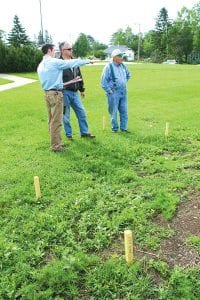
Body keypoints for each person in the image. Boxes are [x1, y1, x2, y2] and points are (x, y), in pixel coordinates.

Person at [37, 43, 93, 152]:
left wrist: (72, 81)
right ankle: (56, 146)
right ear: (49, 50)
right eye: (54, 50)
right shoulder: (53, 62)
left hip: (47, 94)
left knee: (52, 120)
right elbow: (72, 62)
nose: (55, 52)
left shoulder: (41, 65)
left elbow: (51, 82)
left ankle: (56, 143)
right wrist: (87, 61)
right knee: (57, 121)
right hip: (56, 95)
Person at [59, 42, 95, 140]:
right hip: (64, 93)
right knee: (66, 116)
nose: (72, 50)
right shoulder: (58, 63)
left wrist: (81, 89)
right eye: (69, 49)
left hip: (75, 93)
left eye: (71, 49)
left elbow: (79, 76)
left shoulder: (74, 62)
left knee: (81, 112)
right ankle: (69, 135)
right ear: (63, 51)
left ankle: (84, 132)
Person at [101, 49, 131, 133]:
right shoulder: (108, 67)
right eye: (119, 56)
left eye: (122, 56)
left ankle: (124, 128)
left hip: (123, 91)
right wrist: (110, 91)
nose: (122, 58)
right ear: (114, 57)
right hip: (113, 92)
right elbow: (103, 82)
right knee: (113, 112)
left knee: (124, 110)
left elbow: (128, 75)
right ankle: (115, 128)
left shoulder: (123, 66)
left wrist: (122, 83)